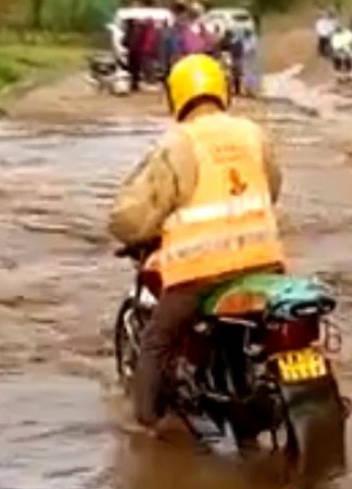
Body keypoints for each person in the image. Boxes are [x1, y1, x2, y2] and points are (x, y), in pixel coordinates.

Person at [108, 54, 285, 429]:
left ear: (177, 96)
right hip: (265, 263)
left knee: (157, 339)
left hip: (201, 273)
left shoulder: (178, 144)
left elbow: (137, 212)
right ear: (223, 90)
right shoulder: (253, 133)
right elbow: (271, 188)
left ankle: (146, 424)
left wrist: (128, 232)